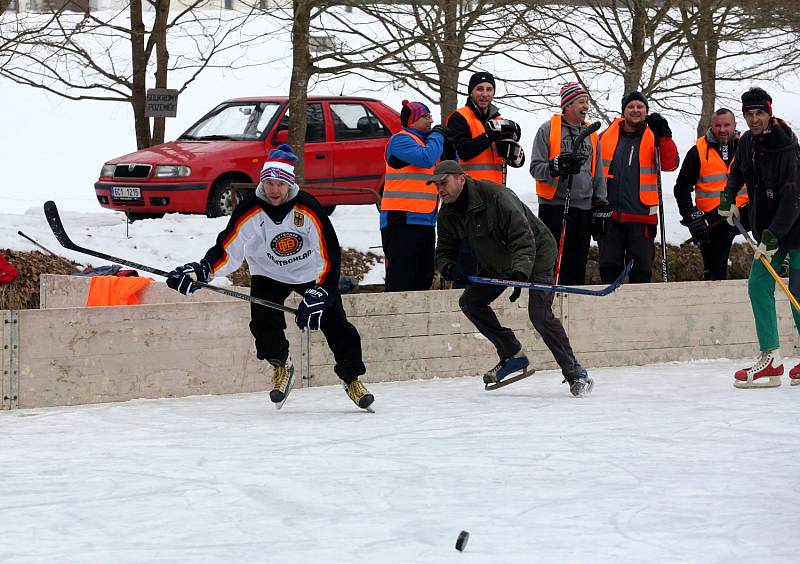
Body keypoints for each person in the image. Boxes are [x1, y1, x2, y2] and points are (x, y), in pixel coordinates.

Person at [165, 144, 374, 410]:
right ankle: (281, 365)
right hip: (268, 272)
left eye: (279, 184)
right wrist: (202, 271)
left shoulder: (308, 208)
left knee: (337, 325)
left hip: (309, 272)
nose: (274, 190)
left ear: (290, 184)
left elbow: (329, 253)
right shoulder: (251, 209)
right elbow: (228, 249)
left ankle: (351, 378)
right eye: (269, 183)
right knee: (263, 325)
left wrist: (321, 291)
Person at [432, 160, 593, 397]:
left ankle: (575, 372)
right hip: (497, 260)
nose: (440, 189)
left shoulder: (497, 197)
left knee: (539, 314)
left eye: (443, 182)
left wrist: (520, 273)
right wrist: (448, 267)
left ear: (461, 179)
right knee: (470, 302)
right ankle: (512, 355)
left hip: (535, 255)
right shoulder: (447, 211)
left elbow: (523, 238)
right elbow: (443, 249)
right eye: (436, 185)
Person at [717, 87, 800, 388]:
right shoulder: (747, 142)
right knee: (758, 284)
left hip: (794, 228)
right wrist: (727, 198)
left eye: (759, 113)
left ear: (769, 112)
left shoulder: (786, 148)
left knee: (798, 293)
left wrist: (774, 235)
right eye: (749, 114)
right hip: (768, 229)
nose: (754, 119)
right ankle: (771, 361)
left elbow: (792, 199)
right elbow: (737, 170)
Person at [530, 82, 609, 285]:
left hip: (583, 208)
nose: (586, 107)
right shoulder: (547, 130)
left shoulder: (591, 133)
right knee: (551, 263)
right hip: (554, 206)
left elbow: (597, 171)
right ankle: (546, 304)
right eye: (581, 102)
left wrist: (600, 203)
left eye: (587, 102)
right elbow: (535, 168)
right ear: (568, 105)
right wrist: (556, 167)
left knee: (576, 266)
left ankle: (573, 306)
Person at [597, 91, 679, 283]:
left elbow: (670, 164)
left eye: (640, 106)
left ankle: (640, 311)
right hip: (609, 216)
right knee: (608, 268)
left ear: (646, 111)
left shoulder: (655, 135)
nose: (635, 110)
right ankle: (611, 309)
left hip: (642, 217)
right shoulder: (605, 136)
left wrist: (665, 137)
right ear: (623, 111)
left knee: (641, 270)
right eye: (631, 106)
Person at [674, 108, 748, 280]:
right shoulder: (698, 151)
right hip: (714, 218)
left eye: (727, 125)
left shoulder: (748, 146)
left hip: (745, 211)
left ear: (735, 125)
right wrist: (691, 215)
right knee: (714, 268)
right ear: (711, 126)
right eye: (718, 125)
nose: (722, 130)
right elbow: (681, 188)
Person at [380, 100, 444, 292]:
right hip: (401, 221)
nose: (430, 120)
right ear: (412, 120)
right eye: (425, 116)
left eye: (430, 115)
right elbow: (425, 159)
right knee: (402, 279)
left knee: (422, 279)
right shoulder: (401, 139)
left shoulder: (426, 142)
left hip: (425, 221)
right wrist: (438, 136)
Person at [445, 71, 525, 183]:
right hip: (469, 189)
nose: (485, 94)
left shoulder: (499, 120)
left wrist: (513, 154)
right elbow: (463, 152)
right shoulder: (459, 117)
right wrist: (490, 135)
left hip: (496, 189)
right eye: (480, 89)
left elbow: (506, 156)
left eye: (489, 89)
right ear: (471, 93)